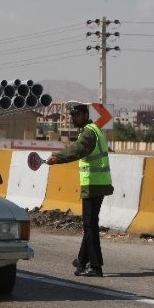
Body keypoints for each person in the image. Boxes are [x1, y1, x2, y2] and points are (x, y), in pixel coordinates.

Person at [46, 103, 114, 277]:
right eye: (72, 116)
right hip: (98, 183)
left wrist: (57, 157)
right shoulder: (95, 129)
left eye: (76, 116)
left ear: (85, 115)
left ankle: (96, 266)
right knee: (89, 224)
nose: (73, 119)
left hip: (93, 184)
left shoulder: (89, 133)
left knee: (90, 225)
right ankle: (82, 261)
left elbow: (78, 149)